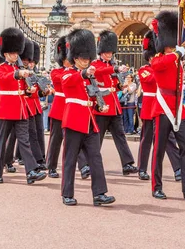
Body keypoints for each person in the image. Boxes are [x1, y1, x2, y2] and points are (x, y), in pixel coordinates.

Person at [150, 10, 185, 201]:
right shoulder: (159, 58)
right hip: (163, 107)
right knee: (158, 150)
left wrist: (177, 54)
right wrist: (176, 53)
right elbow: (159, 66)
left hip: (178, 108)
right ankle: (156, 187)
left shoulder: (177, 60)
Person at [61, 28, 115, 207]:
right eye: (83, 59)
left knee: (95, 159)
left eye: (87, 58)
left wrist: (101, 103)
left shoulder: (89, 77)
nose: (86, 62)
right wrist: (84, 73)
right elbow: (69, 82)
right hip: (74, 121)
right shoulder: (69, 73)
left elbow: (93, 93)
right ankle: (67, 193)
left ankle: (99, 193)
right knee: (70, 159)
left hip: (90, 122)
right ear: (75, 58)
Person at [0, 27, 47, 185]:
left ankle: (30, 171)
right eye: (12, 53)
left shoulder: (20, 69)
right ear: (5, 53)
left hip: (21, 109)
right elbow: (3, 80)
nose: (15, 55)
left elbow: (25, 89)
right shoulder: (0, 68)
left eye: (17, 52)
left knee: (24, 141)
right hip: (6, 109)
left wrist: (30, 90)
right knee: (2, 142)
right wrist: (17, 75)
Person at [91, 30, 138, 176]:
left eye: (111, 52)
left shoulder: (112, 64)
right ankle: (89, 164)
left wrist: (121, 86)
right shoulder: (95, 64)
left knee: (120, 136)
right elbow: (99, 72)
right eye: (106, 52)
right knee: (96, 139)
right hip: (101, 105)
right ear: (101, 51)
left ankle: (127, 164)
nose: (109, 55)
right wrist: (115, 68)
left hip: (114, 105)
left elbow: (115, 82)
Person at [137, 30, 181, 182]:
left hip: (164, 107)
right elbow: (150, 81)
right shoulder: (143, 70)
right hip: (150, 106)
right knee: (146, 139)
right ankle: (142, 168)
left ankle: (178, 168)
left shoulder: (164, 66)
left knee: (168, 140)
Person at [46, 36, 89, 179]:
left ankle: (83, 166)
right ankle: (51, 166)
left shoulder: (75, 73)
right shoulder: (57, 72)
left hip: (72, 108)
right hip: (59, 108)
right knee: (56, 140)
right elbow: (63, 80)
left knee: (76, 139)